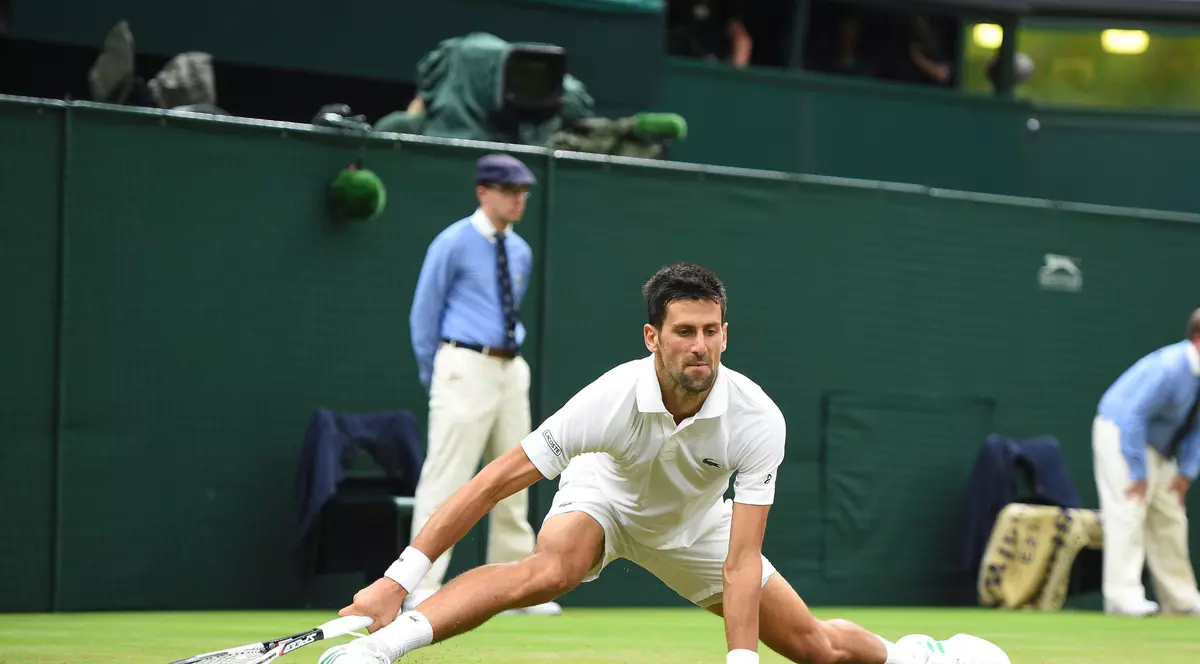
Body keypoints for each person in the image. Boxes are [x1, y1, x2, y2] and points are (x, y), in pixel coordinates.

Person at [321, 263, 1011, 664]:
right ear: (654, 336)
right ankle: (379, 649)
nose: (699, 346)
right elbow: (491, 483)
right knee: (548, 571)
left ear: (725, 335)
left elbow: (742, 559)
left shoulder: (758, 419)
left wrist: (741, 660)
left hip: (696, 529)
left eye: (711, 331)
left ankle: (915, 655)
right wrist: (396, 581)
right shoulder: (609, 399)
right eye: (684, 331)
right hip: (605, 497)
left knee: (816, 651)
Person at [404, 152, 560, 615]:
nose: (519, 200)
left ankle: (516, 587)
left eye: (523, 192)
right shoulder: (452, 242)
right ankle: (419, 585)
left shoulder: (521, 250)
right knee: (446, 476)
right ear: (483, 192)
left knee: (518, 473)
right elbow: (424, 313)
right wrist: (440, 374)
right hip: (463, 364)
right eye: (510, 191)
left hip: (510, 369)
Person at [1093, 309, 1200, 617]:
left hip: (1160, 447)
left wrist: (1186, 472)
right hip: (1120, 433)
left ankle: (1182, 601)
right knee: (1129, 510)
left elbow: (1197, 427)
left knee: (1171, 517)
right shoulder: (1169, 367)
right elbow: (1134, 416)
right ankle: (1122, 598)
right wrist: (1137, 471)